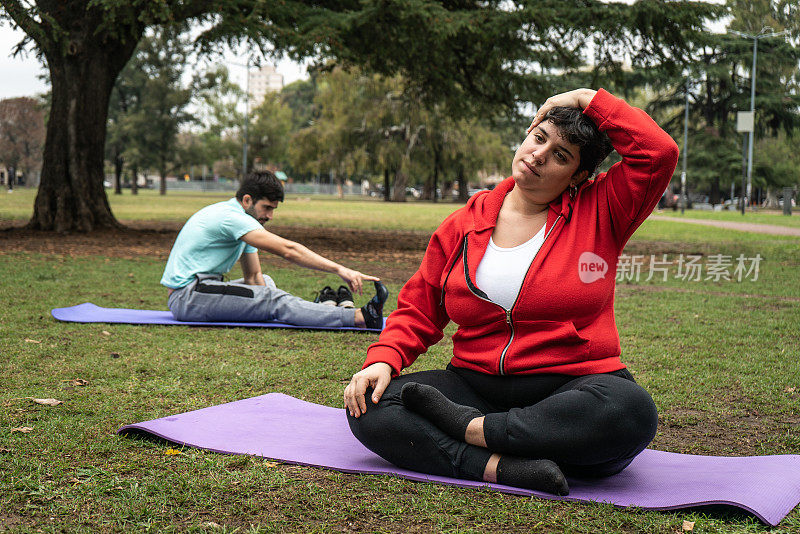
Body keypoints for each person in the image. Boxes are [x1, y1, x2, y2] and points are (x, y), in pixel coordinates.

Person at [344, 88, 679, 495]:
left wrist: (585, 97)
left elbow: (658, 153)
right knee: (371, 405)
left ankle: (474, 432)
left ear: (578, 176)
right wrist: (383, 359)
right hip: (474, 385)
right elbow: (420, 305)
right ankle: (499, 467)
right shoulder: (462, 224)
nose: (539, 155)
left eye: (561, 155)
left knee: (630, 411)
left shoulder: (603, 209)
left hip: (570, 387)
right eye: (540, 138)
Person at [161, 171, 388, 329]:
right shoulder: (232, 218)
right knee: (274, 299)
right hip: (188, 296)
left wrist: (270, 304)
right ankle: (360, 317)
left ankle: (318, 312)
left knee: (267, 284)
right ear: (247, 200)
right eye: (266, 208)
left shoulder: (243, 222)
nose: (269, 216)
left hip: (201, 290)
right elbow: (289, 250)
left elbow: (253, 277)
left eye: (273, 209)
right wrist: (341, 269)